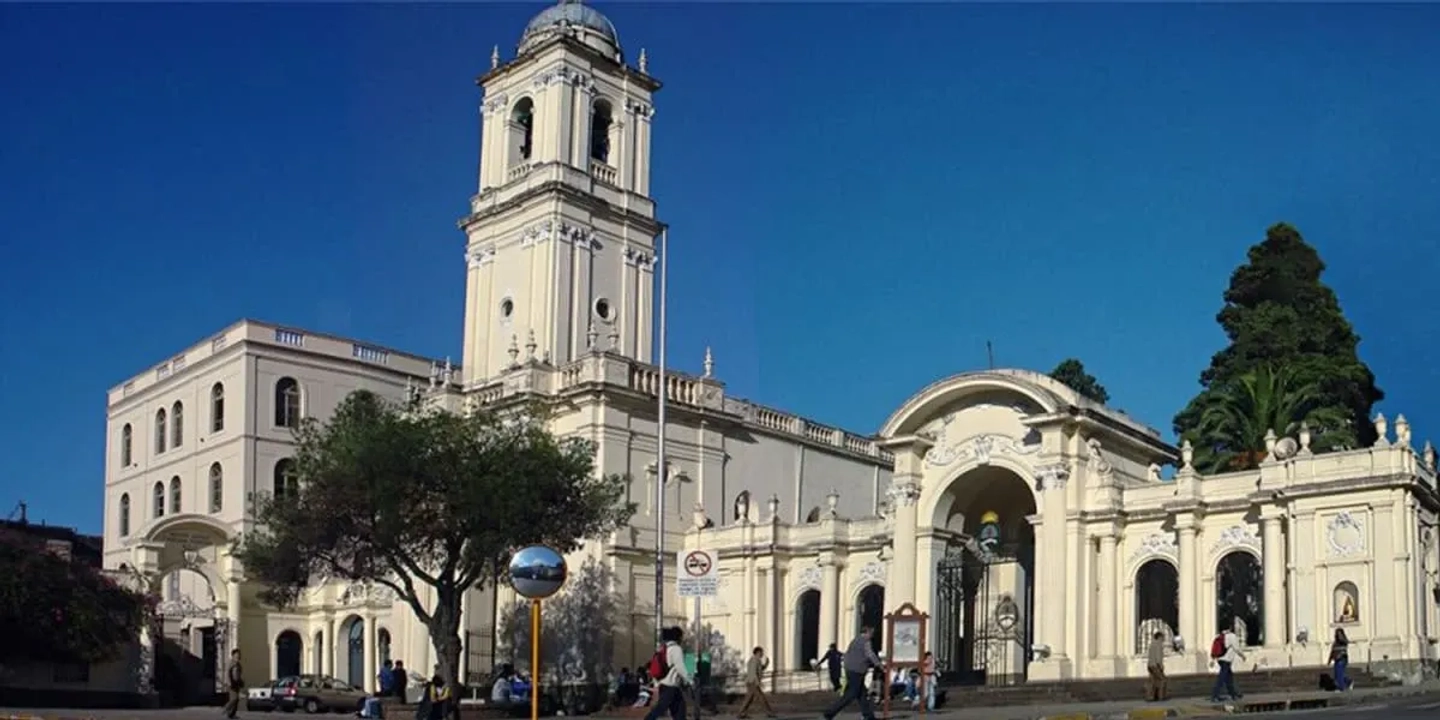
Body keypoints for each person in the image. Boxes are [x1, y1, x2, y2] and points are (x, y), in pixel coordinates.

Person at [822, 627, 883, 720]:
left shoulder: (855, 640)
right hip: (857, 670)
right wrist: (879, 664)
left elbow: (848, 654)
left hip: (850, 669)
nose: (872, 635)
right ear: (867, 633)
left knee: (862, 694)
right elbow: (870, 654)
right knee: (851, 694)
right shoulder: (866, 641)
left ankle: (869, 716)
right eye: (871, 633)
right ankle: (830, 713)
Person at [643, 626, 691, 720]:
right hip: (670, 686)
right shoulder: (676, 649)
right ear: (678, 637)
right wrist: (690, 680)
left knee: (680, 710)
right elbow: (679, 667)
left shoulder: (664, 648)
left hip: (667, 685)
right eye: (681, 636)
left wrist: (657, 683)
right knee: (660, 708)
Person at [736, 646, 775, 719]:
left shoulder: (756, 660)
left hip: (751, 682)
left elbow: (760, 669)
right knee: (761, 698)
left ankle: (741, 713)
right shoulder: (754, 660)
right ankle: (769, 712)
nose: (762, 654)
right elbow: (754, 672)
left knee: (749, 699)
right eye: (761, 652)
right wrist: (757, 682)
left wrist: (766, 664)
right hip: (753, 682)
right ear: (757, 652)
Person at [1208, 625, 1244, 703]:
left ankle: (1234, 694)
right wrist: (1242, 656)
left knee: (1229, 677)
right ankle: (1215, 695)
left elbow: (1216, 649)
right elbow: (1236, 648)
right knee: (1221, 679)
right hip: (1227, 660)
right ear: (1230, 628)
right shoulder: (1232, 636)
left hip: (1220, 659)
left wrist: (1212, 660)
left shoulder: (1219, 636)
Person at [1145, 631, 1168, 702]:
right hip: (1155, 665)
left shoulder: (1152, 644)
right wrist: (1160, 666)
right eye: (1163, 637)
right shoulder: (1158, 644)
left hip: (1150, 665)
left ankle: (1150, 697)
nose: (1164, 638)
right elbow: (1158, 657)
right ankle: (1160, 696)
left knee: (1153, 681)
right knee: (1163, 680)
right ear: (1159, 637)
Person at [223, 649, 244, 719]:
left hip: (236, 683)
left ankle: (232, 714)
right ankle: (226, 708)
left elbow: (238, 675)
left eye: (238, 656)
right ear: (233, 656)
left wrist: (240, 681)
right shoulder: (231, 663)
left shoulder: (238, 665)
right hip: (231, 684)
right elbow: (227, 673)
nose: (237, 657)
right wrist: (228, 682)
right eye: (236, 656)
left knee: (237, 699)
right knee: (234, 698)